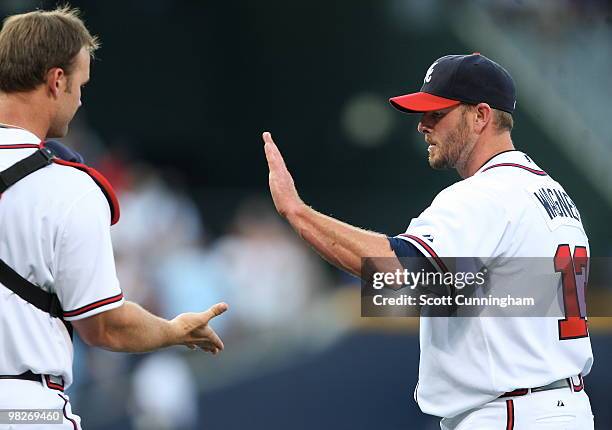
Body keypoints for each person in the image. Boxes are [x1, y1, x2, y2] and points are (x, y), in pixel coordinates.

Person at [262, 53, 594, 429]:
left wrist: (297, 212)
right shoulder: (550, 192)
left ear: (481, 116)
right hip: (559, 405)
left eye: (437, 113)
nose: (423, 125)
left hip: (509, 412)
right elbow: (451, 291)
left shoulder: (486, 194)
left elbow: (396, 268)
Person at [0, 7, 227, 429]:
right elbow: (104, 327)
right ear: (56, 81)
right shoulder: (68, 187)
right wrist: (175, 330)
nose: (80, 98)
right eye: (80, 84)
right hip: (22, 410)